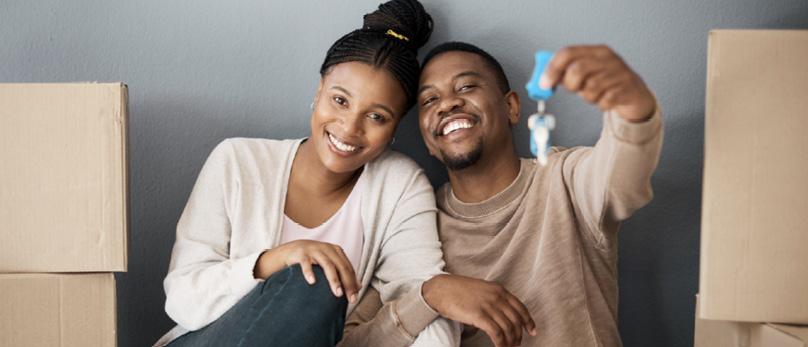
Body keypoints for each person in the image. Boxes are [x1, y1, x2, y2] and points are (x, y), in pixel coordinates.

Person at [152, 1, 460, 346]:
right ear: (319, 91)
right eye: (340, 100)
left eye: (376, 117)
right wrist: (277, 260)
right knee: (313, 279)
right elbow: (181, 300)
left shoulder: (400, 185)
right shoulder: (238, 161)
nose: (349, 127)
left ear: (394, 128)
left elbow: (426, 300)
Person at [348, 42, 663, 347]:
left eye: (467, 87)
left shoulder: (564, 180)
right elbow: (351, 343)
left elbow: (624, 173)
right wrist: (431, 296)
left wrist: (632, 107)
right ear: (428, 140)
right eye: (429, 100)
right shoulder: (414, 223)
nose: (446, 104)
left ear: (511, 107)